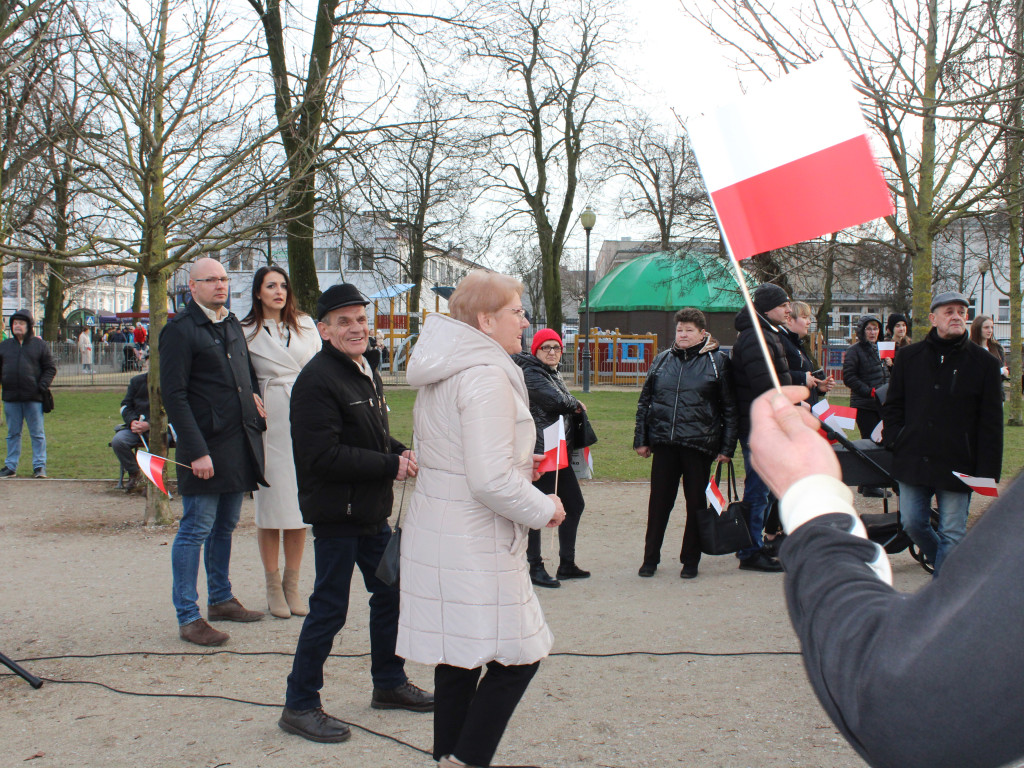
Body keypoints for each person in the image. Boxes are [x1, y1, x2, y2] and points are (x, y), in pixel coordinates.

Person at [749, 384, 1024, 768]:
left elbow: (914, 708)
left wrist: (810, 495)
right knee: (919, 524)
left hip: (955, 464)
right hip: (916, 463)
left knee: (952, 533)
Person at [398, 270, 566, 768]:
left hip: (444, 529)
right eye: (516, 311)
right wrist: (544, 508)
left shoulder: (452, 366)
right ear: (486, 319)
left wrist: (520, 463)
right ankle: (466, 759)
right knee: (520, 654)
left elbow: (463, 453)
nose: (525, 320)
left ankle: (448, 756)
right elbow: (488, 481)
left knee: (458, 659)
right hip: (474, 537)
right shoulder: (485, 374)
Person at [279, 283, 433, 744]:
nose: (356, 328)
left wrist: (398, 450)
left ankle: (388, 683)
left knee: (392, 593)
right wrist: (390, 464)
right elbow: (320, 456)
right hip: (337, 515)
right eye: (344, 321)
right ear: (324, 330)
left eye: (361, 319)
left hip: (370, 512)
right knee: (329, 608)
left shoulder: (365, 369)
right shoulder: (315, 381)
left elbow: (369, 435)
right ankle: (299, 704)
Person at [159, 258, 268, 646]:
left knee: (225, 526)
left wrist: (254, 395)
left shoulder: (230, 324)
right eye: (211, 280)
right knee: (195, 529)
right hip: (203, 447)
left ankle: (221, 599)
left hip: (236, 442)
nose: (220, 285)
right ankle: (188, 616)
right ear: (192, 286)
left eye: (224, 279)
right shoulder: (180, 331)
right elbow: (174, 395)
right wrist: (195, 451)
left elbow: (245, 373)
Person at [882, 291, 1003, 575]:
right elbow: (894, 405)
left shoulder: (984, 363)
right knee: (912, 522)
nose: (957, 316)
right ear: (933, 318)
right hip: (914, 456)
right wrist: (895, 437)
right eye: (949, 311)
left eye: (961, 311)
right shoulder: (909, 357)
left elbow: (991, 422)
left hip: (959, 460)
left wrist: (987, 471)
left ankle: (943, 589)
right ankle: (950, 573)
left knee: (952, 531)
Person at [633, 308, 737, 579]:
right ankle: (649, 559)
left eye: (689, 330)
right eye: (680, 330)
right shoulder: (662, 360)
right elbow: (645, 402)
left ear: (702, 333)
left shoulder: (718, 361)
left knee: (696, 505)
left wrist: (727, 448)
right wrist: (641, 439)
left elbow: (729, 408)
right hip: (665, 444)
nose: (683, 335)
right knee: (658, 505)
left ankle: (690, 560)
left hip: (699, 445)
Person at [241, 266, 321, 619]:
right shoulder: (244, 332)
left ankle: (293, 583)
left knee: (299, 508)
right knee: (272, 507)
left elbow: (320, 368)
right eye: (270, 286)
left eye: (283, 285)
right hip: (269, 421)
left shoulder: (305, 325)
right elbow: (238, 378)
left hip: (305, 417)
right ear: (258, 292)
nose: (278, 291)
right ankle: (273, 584)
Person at [514, 327, 591, 588]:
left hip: (558, 450)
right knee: (539, 508)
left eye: (556, 347)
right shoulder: (530, 372)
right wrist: (576, 403)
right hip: (540, 451)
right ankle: (535, 565)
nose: (551, 352)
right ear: (535, 350)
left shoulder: (552, 373)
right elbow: (555, 401)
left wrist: (571, 401)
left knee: (574, 504)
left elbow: (561, 399)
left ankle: (566, 563)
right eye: (545, 347)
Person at [728, 283, 793, 572]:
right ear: (767, 308)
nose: (789, 309)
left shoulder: (764, 332)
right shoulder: (757, 336)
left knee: (763, 487)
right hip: (761, 424)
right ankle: (750, 550)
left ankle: (752, 544)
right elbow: (766, 385)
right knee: (758, 489)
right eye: (783, 305)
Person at [0, 309, 57, 479]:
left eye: (21, 323)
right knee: (12, 434)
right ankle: (11, 466)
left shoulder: (39, 345)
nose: (17, 326)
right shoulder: (4, 346)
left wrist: (42, 386)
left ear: (29, 326)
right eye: (15, 323)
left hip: (34, 397)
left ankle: (39, 466)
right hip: (11, 397)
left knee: (37, 433)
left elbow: (50, 368)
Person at [842, 315, 889, 497]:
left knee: (881, 443)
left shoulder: (883, 349)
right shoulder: (855, 350)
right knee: (869, 443)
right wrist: (869, 391)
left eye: (875, 329)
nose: (872, 332)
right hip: (865, 404)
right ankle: (869, 484)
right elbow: (849, 377)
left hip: (883, 404)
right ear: (862, 331)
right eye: (869, 329)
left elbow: (887, 374)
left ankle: (868, 482)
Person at [112, 372, 151, 493]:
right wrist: (132, 421)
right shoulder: (136, 381)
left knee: (158, 442)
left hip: (158, 428)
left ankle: (153, 480)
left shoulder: (171, 381)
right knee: (118, 441)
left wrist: (150, 424)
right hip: (135, 427)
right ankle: (135, 474)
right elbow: (125, 406)